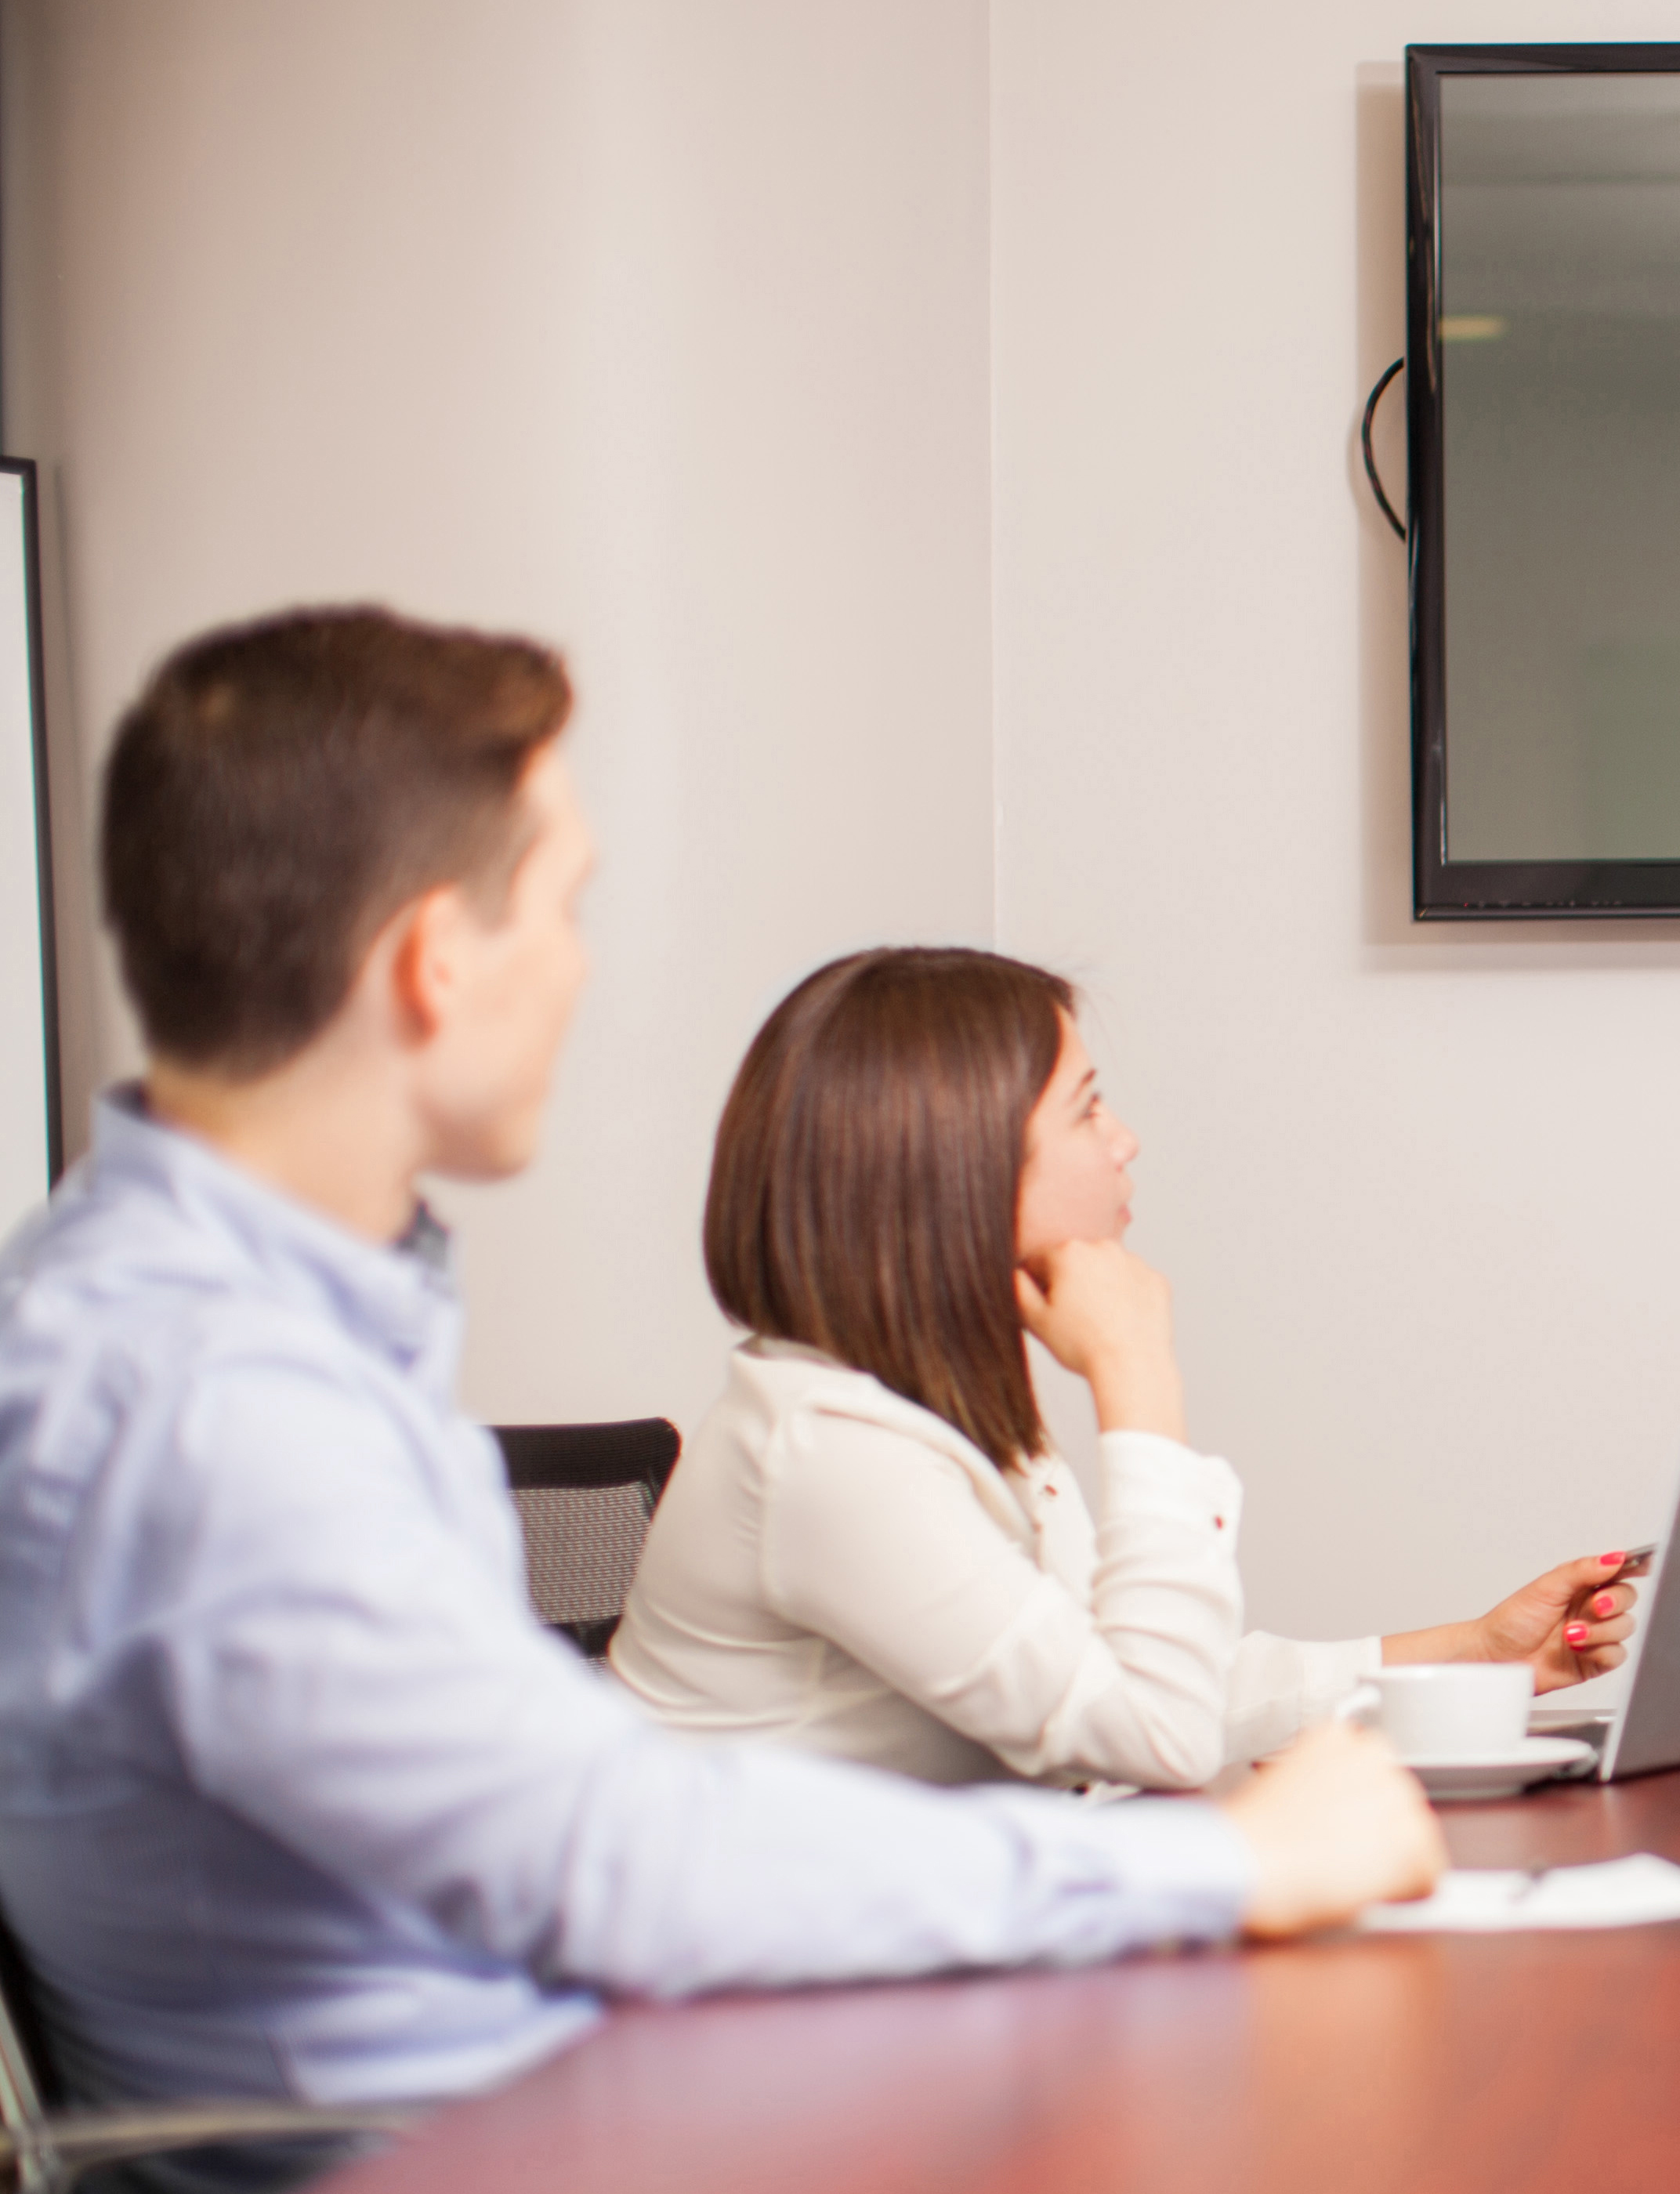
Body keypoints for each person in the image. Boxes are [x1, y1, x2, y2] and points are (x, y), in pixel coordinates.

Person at [0, 609, 1444, 2144]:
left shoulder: (206, 1311)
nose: (575, 969)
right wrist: (1218, 1863)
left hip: (599, 2088)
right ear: (433, 960)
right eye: (562, 910)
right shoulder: (213, 1399)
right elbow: (607, 1851)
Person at [613, 947, 1638, 1790]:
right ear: (962, 1165)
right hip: (755, 2014)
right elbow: (1156, 1735)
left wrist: (1479, 1651)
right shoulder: (825, 1453)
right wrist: (1137, 1382)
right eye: (1088, 1109)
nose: (1125, 1141)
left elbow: (1130, 1685)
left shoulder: (924, 1412)